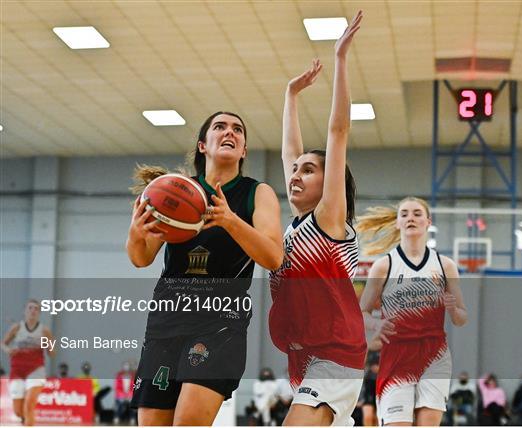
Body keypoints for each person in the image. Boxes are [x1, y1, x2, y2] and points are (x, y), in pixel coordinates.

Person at [127, 111, 283, 426]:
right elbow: (141, 258)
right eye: (220, 127)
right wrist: (135, 230)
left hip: (220, 324)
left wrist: (229, 220)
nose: (230, 132)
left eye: (238, 129)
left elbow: (273, 257)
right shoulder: (176, 191)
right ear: (203, 145)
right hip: (166, 322)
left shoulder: (257, 193)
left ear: (244, 150)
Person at [269, 10, 366, 426]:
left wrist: (340, 61)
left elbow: (337, 132)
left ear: (331, 185)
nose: (296, 174)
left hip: (335, 350)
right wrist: (290, 97)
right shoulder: (298, 223)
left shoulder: (329, 218)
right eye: (295, 170)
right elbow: (292, 152)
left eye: (309, 171)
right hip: (303, 352)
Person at [357, 197, 468, 426]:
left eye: (417, 213)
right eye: (405, 213)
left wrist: (453, 309)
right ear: (397, 223)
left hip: (434, 356)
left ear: (428, 221)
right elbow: (361, 313)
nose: (411, 218)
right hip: (397, 355)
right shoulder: (384, 265)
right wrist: (376, 324)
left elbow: (462, 318)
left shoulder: (445, 265)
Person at [1, 299, 55, 426]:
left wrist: (48, 345)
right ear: (25, 311)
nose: (33, 311)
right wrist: (8, 350)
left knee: (29, 404)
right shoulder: (16, 327)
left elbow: (52, 353)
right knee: (18, 411)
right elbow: (3, 343)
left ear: (39, 313)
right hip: (17, 370)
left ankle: (28, 421)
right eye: (30, 308)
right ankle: (25, 419)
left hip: (36, 369)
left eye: (36, 309)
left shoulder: (45, 331)